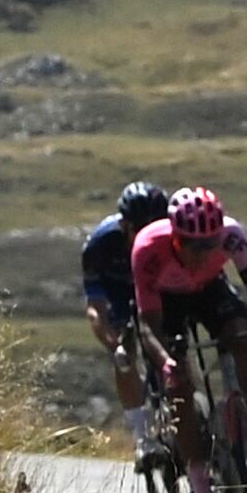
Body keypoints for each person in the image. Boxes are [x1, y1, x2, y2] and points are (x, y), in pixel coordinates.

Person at [127, 186, 247, 493]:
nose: (200, 252)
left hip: (210, 290)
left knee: (243, 340)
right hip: (166, 303)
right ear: (175, 237)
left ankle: (245, 425)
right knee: (178, 383)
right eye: (191, 246)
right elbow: (149, 328)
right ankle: (202, 492)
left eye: (210, 245)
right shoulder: (148, 248)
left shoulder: (232, 236)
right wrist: (166, 361)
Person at [78, 177, 172, 475]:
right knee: (125, 356)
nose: (149, 234)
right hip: (119, 294)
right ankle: (143, 438)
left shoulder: (170, 237)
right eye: (141, 228)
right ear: (124, 225)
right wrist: (114, 343)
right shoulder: (99, 245)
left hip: (156, 288)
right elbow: (96, 308)